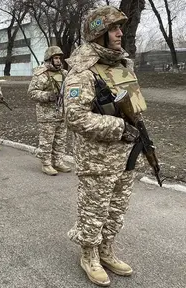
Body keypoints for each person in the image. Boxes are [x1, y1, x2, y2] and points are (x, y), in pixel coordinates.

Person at [64, 6, 148, 286]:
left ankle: (106, 249)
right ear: (98, 34)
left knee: (116, 208)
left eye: (120, 28)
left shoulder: (122, 65)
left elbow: (133, 107)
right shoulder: (82, 71)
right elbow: (75, 117)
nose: (120, 33)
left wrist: (136, 131)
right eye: (114, 29)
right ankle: (88, 255)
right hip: (97, 159)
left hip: (125, 155)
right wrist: (119, 128)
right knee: (94, 209)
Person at [28, 46, 72, 176]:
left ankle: (58, 161)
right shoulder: (41, 74)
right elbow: (31, 93)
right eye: (56, 58)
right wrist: (47, 96)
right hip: (46, 115)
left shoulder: (64, 74)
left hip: (61, 113)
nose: (58, 61)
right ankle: (46, 163)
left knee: (60, 139)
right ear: (49, 59)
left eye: (59, 58)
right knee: (47, 141)